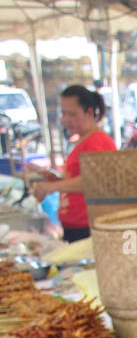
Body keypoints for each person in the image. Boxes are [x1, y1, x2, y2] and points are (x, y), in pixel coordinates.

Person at [29, 85, 116, 241]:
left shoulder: (97, 141)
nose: (65, 119)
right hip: (74, 226)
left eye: (72, 114)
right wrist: (51, 177)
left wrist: (52, 187)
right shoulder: (82, 140)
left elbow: (96, 181)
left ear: (89, 112)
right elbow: (77, 181)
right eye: (63, 113)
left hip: (88, 227)